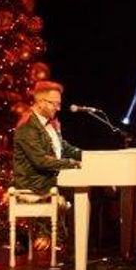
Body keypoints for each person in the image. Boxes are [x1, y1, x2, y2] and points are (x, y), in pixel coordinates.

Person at [12, 80, 82, 259]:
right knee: (79, 190)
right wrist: (73, 164)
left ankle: (75, 247)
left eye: (59, 104)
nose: (58, 108)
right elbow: (40, 161)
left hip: (49, 177)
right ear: (41, 102)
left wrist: (89, 157)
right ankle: (64, 246)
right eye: (55, 104)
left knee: (90, 191)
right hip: (34, 181)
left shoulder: (51, 124)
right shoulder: (28, 127)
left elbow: (65, 148)